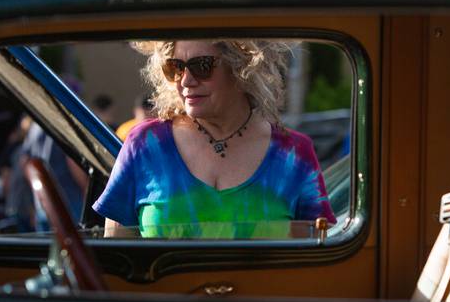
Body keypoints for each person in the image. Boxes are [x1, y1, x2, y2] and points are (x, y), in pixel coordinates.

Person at [93, 39, 336, 239]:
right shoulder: (144, 145)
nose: (186, 80)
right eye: (176, 67)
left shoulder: (295, 155)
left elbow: (316, 261)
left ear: (242, 67)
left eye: (202, 66)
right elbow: (117, 262)